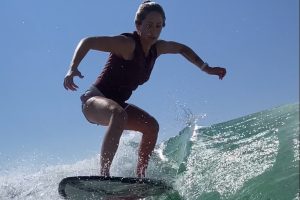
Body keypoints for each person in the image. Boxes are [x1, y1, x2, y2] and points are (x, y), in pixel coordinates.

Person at [63, 1, 226, 178]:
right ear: (138, 25)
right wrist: (72, 68)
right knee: (118, 114)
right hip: (93, 102)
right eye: (148, 25)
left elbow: (181, 49)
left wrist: (206, 68)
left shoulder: (157, 49)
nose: (153, 31)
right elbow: (88, 42)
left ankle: (140, 177)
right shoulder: (127, 44)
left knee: (151, 126)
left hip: (117, 106)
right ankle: (104, 177)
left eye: (158, 26)